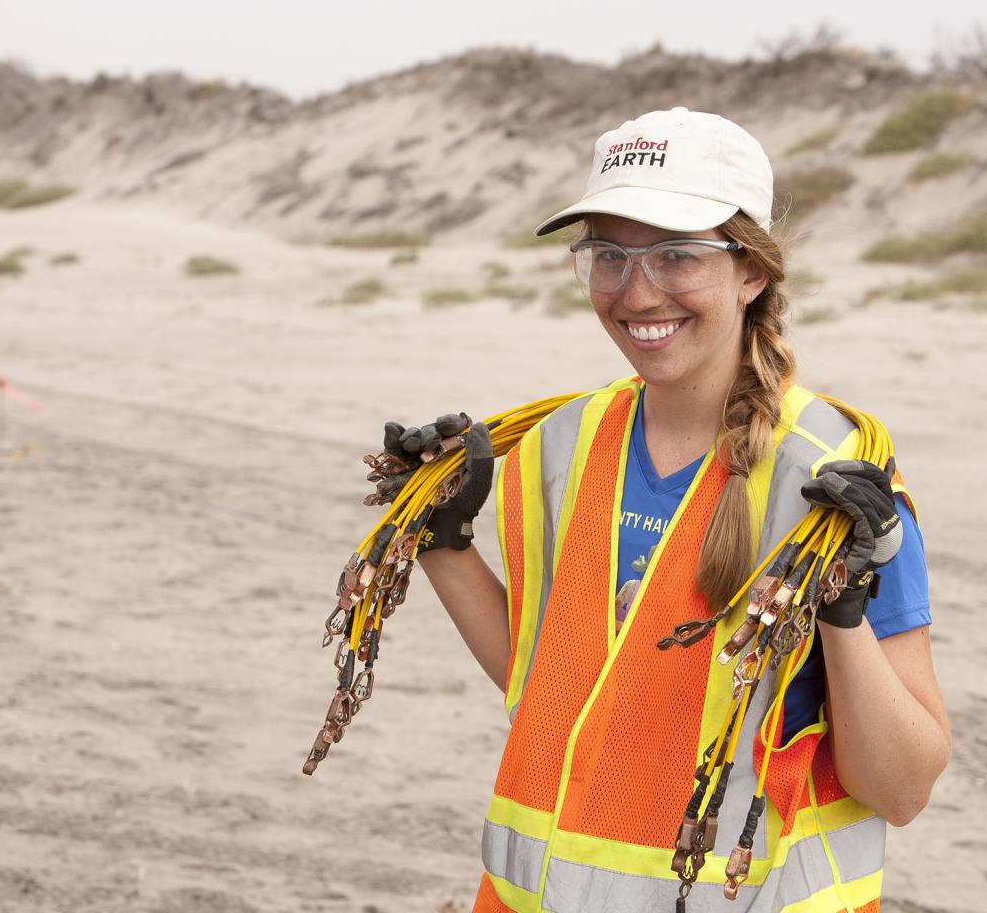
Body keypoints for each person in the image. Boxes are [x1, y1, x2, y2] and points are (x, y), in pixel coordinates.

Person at [385, 108, 950, 913]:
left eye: (677, 254)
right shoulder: (563, 446)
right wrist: (442, 541)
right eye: (608, 254)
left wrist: (843, 614)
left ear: (751, 271)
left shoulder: (827, 482)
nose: (636, 291)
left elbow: (901, 789)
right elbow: (550, 684)